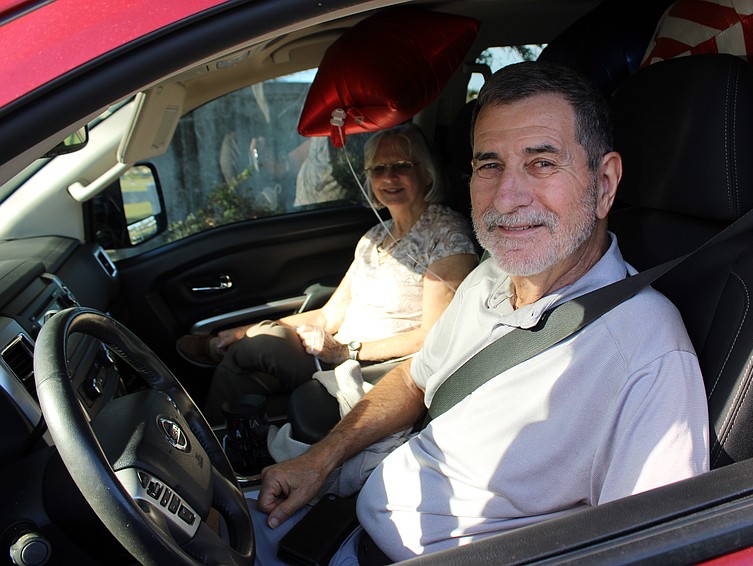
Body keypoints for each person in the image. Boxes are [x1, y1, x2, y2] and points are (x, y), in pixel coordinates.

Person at [251, 61, 710, 563]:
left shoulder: (645, 351)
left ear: (604, 184)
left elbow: (649, 550)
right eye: (490, 165)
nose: (507, 198)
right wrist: (319, 461)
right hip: (345, 523)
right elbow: (414, 380)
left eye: (541, 163)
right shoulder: (489, 277)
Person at [178, 123, 479, 423]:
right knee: (247, 367)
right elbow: (328, 316)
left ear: (426, 172)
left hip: (374, 367)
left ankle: (207, 444)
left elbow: (434, 337)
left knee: (258, 348)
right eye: (378, 169)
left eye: (401, 165)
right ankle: (223, 440)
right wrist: (246, 329)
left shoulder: (447, 234)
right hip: (333, 352)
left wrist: (346, 351)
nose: (389, 177)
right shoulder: (375, 235)